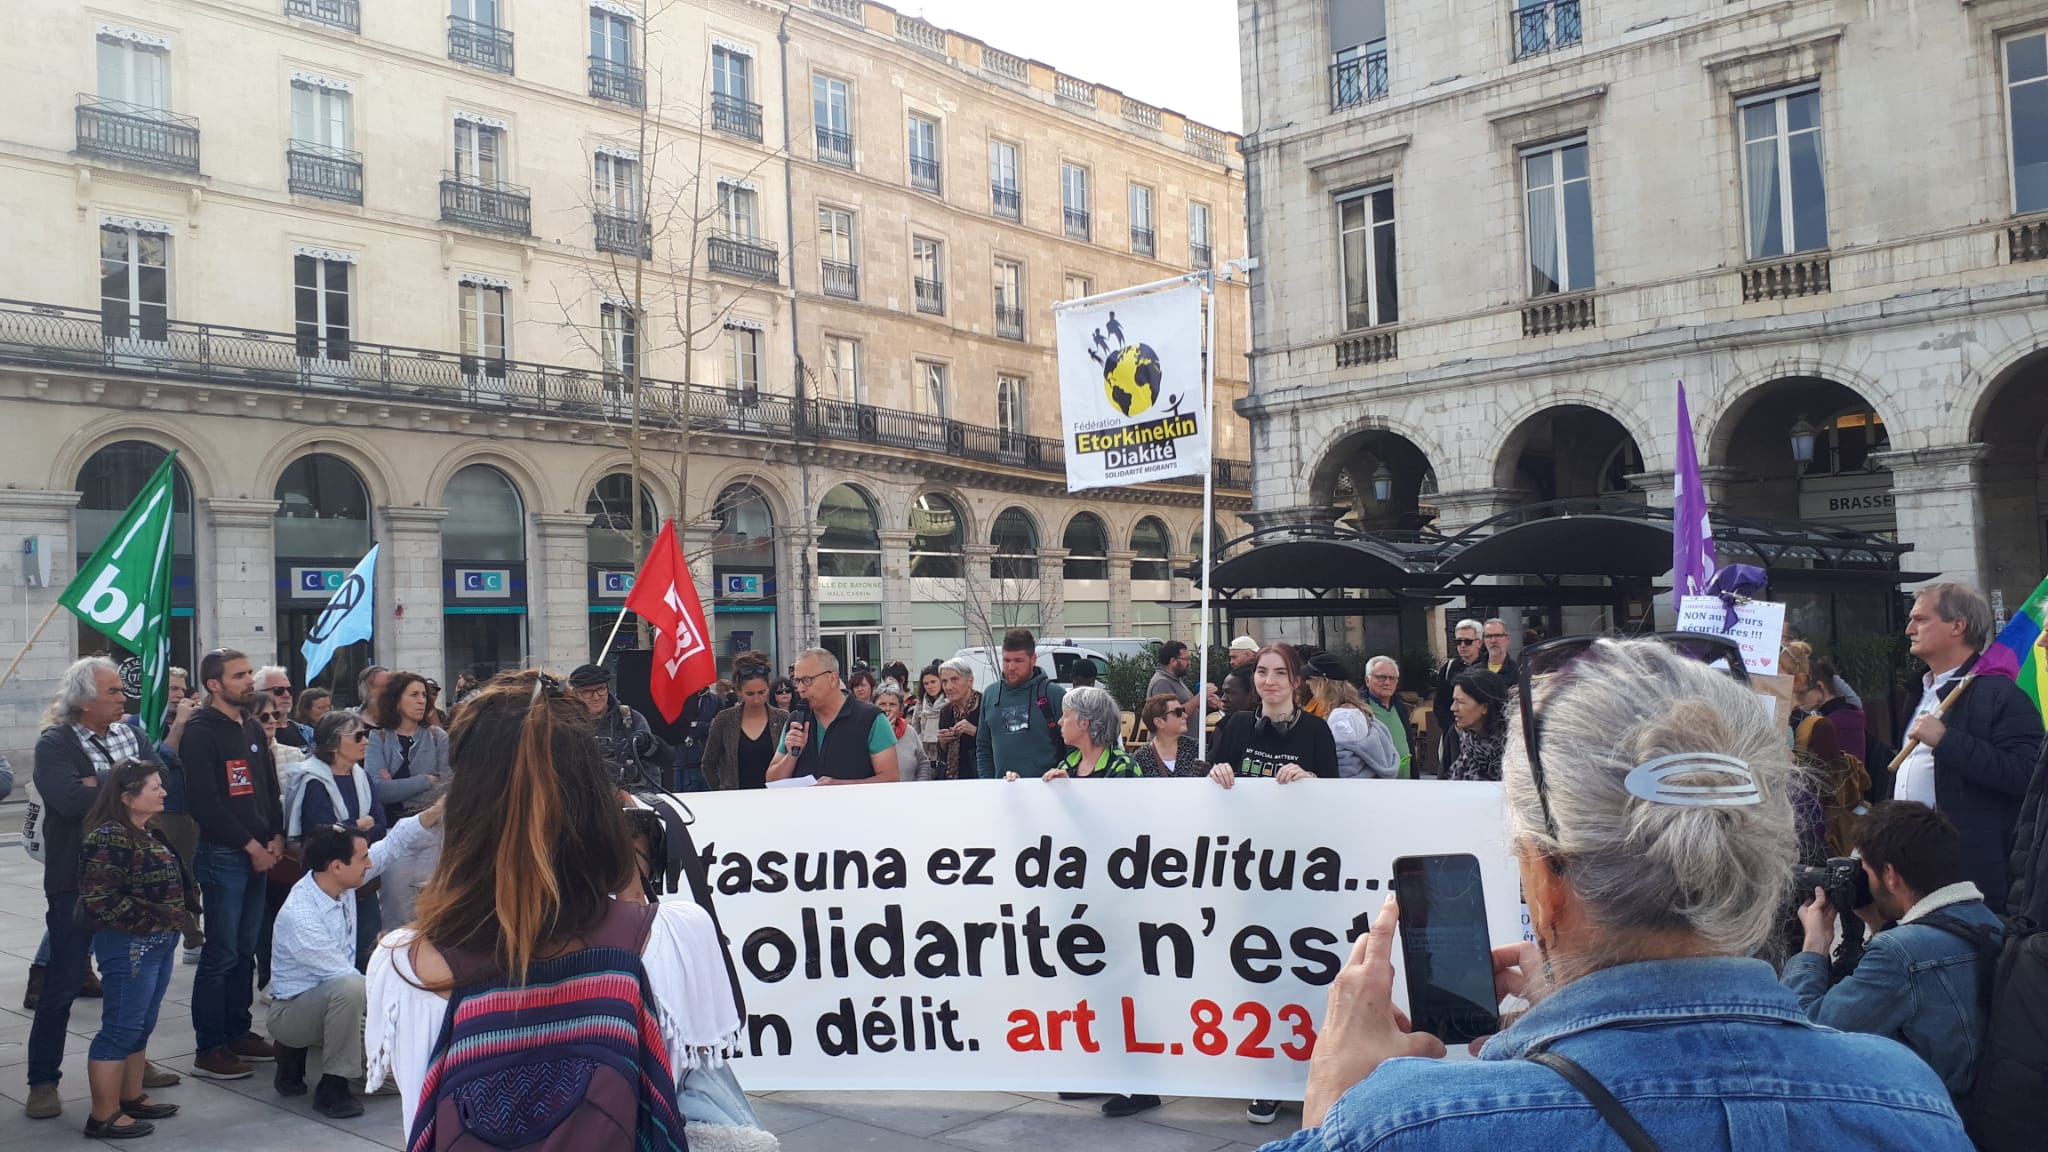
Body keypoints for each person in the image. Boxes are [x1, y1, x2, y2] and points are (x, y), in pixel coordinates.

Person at [1264, 637, 1974, 1152]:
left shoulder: (1410, 1126)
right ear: (1762, 863)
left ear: (1543, 880)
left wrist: (1334, 1102)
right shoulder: (1904, 1099)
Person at [364, 672, 769, 1147]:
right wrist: (628, 871)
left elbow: (421, 1119)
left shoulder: (403, 967)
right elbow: (694, 1084)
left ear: (462, 803)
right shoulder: (672, 939)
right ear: (598, 797)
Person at [1782, 801, 2002, 1100]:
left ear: (1890, 875)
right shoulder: (1990, 924)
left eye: (1867, 874)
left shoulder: (1900, 953)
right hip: (1980, 1111)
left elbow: (1804, 1040)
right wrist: (1876, 921)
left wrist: (1814, 946)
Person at [26, 657, 159, 1121]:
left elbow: (160, 784)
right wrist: (127, 789)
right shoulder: (55, 743)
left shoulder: (133, 735)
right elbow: (66, 799)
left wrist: (100, 785)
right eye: (113, 692)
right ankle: (42, 1080)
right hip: (76, 883)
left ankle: (130, 1067)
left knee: (132, 980)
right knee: (62, 985)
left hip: (133, 879)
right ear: (84, 701)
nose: (124, 698)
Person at [269, 813, 439, 1118]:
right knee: (351, 989)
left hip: (330, 1004)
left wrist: (436, 811)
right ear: (336, 867)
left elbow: (394, 843)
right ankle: (332, 1087)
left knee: (413, 1070)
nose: (370, 865)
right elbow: (350, 981)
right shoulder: (301, 915)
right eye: (363, 858)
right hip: (293, 1013)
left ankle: (301, 1058)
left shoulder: (337, 881)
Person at [1898, 581, 2044, 907]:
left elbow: (2028, 774)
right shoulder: (1917, 691)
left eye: (1921, 619)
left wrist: (1946, 740)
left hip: (1969, 876)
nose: (1909, 629)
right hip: (1914, 871)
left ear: (1957, 626)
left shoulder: (1999, 694)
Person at [182, 648, 284, 1081]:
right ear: (214, 685)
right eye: (239, 675)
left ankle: (238, 1030)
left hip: (261, 850)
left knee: (245, 950)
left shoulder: (250, 725)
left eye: (248, 673)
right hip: (225, 856)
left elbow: (268, 785)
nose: (248, 681)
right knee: (220, 953)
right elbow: (204, 803)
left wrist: (275, 835)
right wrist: (249, 845)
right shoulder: (201, 731)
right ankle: (211, 1046)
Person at [76, 758, 190, 1139]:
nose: (163, 792)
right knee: (120, 1027)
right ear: (127, 797)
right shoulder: (109, 836)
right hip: (130, 945)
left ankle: (132, 1095)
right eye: (154, 787)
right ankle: (103, 1115)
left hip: (156, 943)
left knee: (142, 1023)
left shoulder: (146, 830)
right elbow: (98, 897)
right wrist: (145, 924)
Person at [284, 711, 387, 967]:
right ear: (333, 743)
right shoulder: (313, 780)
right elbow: (322, 836)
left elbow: (381, 824)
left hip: (362, 880)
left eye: (368, 734)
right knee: (333, 955)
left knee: (368, 951)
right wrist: (359, 825)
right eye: (359, 736)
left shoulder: (360, 776)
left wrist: (348, 829)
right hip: (327, 885)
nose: (366, 741)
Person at [1207, 643, 1339, 786]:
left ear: (1296, 681)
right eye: (1262, 672)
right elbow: (1212, 782)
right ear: (1254, 678)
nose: (1269, 681)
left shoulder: (1317, 729)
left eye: (1281, 672)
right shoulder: (1237, 723)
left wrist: (1309, 779)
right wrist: (1216, 773)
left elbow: (1331, 790)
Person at [765, 648, 900, 784]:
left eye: (807, 680)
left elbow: (890, 778)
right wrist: (791, 756)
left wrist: (839, 786)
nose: (800, 689)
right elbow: (772, 780)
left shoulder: (871, 718)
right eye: (797, 681)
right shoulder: (796, 720)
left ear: (832, 678)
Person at [975, 629, 1067, 780]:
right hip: (1002, 791)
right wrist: (988, 783)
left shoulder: (1054, 695)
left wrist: (1060, 778)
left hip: (1047, 791)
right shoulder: (990, 695)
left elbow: (1074, 748)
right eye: (1006, 660)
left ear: (1033, 659)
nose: (1011, 667)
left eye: (1018, 661)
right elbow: (983, 747)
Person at [365, 672, 448, 821]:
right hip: (391, 827)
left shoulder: (437, 737)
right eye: (414, 694)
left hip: (431, 825)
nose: (421, 701)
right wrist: (427, 780)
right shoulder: (378, 738)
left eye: (424, 695)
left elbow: (446, 787)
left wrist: (396, 787)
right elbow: (378, 790)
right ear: (396, 700)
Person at [1304, 653, 1399, 779]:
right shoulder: (1356, 710)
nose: (1307, 682)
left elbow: (1344, 767)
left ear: (1324, 682)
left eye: (1310, 678)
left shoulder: (1341, 717)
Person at [705, 665, 787, 791]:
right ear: (739, 691)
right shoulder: (724, 719)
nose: (756, 699)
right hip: (735, 800)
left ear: (768, 688)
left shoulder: (783, 718)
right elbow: (708, 763)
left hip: (775, 797)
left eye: (761, 692)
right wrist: (720, 793)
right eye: (750, 694)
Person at [1444, 667, 1511, 782]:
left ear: (1485, 707)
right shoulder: (1456, 734)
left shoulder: (1513, 745)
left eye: (1460, 701)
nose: (1453, 708)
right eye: (1454, 701)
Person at [1434, 619, 1482, 774]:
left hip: (1481, 736)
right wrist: (1451, 728)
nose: (1462, 645)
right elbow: (1440, 703)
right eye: (1458, 641)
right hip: (1453, 733)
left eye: (1467, 641)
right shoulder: (1448, 669)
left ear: (1479, 643)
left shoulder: (1487, 669)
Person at [1362, 655, 1416, 778]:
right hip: (1377, 782)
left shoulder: (1400, 706)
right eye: (1381, 677)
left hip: (1405, 781)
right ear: (1367, 680)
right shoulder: (1360, 708)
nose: (1387, 682)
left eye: (1392, 678)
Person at [1808, 655, 1867, 767]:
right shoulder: (1849, 713)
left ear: (1820, 686)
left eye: (1801, 693)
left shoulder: (1831, 723)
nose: (1797, 700)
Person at [1131, 693, 1202, 778]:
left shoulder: (1199, 750)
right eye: (1178, 712)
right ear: (1159, 722)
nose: (1185, 715)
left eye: (1183, 711)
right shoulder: (1140, 759)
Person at [670, 683, 723, 793]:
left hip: (708, 762)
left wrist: (698, 726)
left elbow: (719, 727)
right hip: (682, 761)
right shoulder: (677, 698)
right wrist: (703, 726)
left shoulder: (714, 700)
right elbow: (674, 726)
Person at [936, 656, 982, 781]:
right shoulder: (946, 711)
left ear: (970, 681)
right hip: (952, 781)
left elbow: (998, 743)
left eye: (954, 680)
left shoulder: (985, 705)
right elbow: (942, 756)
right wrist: (943, 742)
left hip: (980, 779)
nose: (949, 687)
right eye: (944, 681)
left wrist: (975, 732)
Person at [875, 687, 935, 781]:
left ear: (901, 709)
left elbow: (923, 763)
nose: (887, 709)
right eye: (882, 704)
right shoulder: (867, 732)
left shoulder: (909, 731)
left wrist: (920, 786)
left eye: (892, 705)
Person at [255, 666, 310, 748]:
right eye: (278, 690)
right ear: (259, 693)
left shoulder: (308, 732)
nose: (287, 695)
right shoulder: (251, 736)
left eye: (289, 690)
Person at [911, 664, 946, 764]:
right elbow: (915, 726)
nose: (930, 686)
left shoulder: (949, 702)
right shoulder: (921, 702)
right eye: (926, 683)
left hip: (944, 750)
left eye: (933, 682)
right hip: (924, 750)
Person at [1480, 617, 1520, 686]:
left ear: (1508, 639)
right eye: (1489, 636)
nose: (1493, 641)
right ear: (1483, 640)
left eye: (1498, 635)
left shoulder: (1519, 672)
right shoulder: (1472, 672)